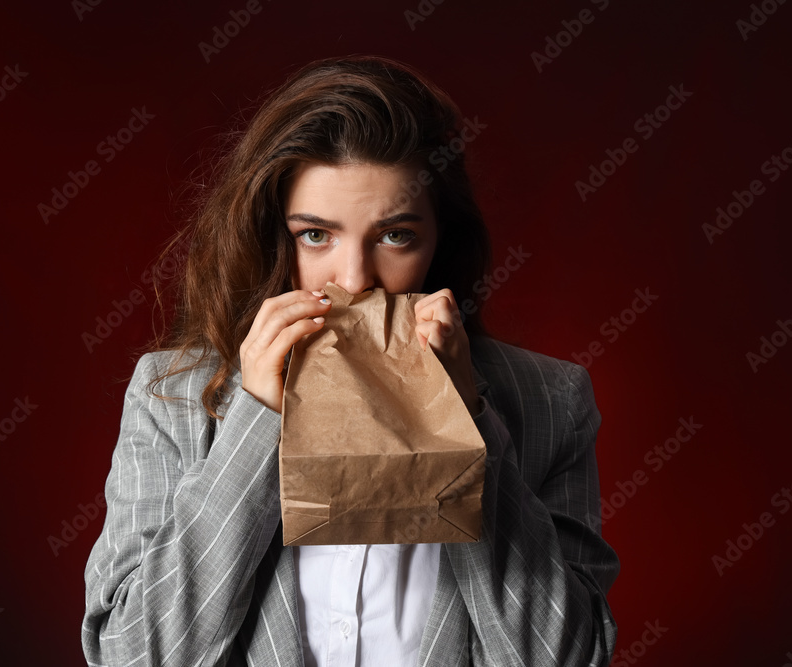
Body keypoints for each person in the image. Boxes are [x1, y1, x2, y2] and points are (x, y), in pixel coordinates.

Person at [82, 55, 620, 667]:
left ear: (439, 240)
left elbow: (568, 658)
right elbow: (131, 656)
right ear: (272, 237)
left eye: (395, 236)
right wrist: (255, 422)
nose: (356, 279)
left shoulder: (549, 399)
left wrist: (466, 424)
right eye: (316, 235)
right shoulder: (171, 395)